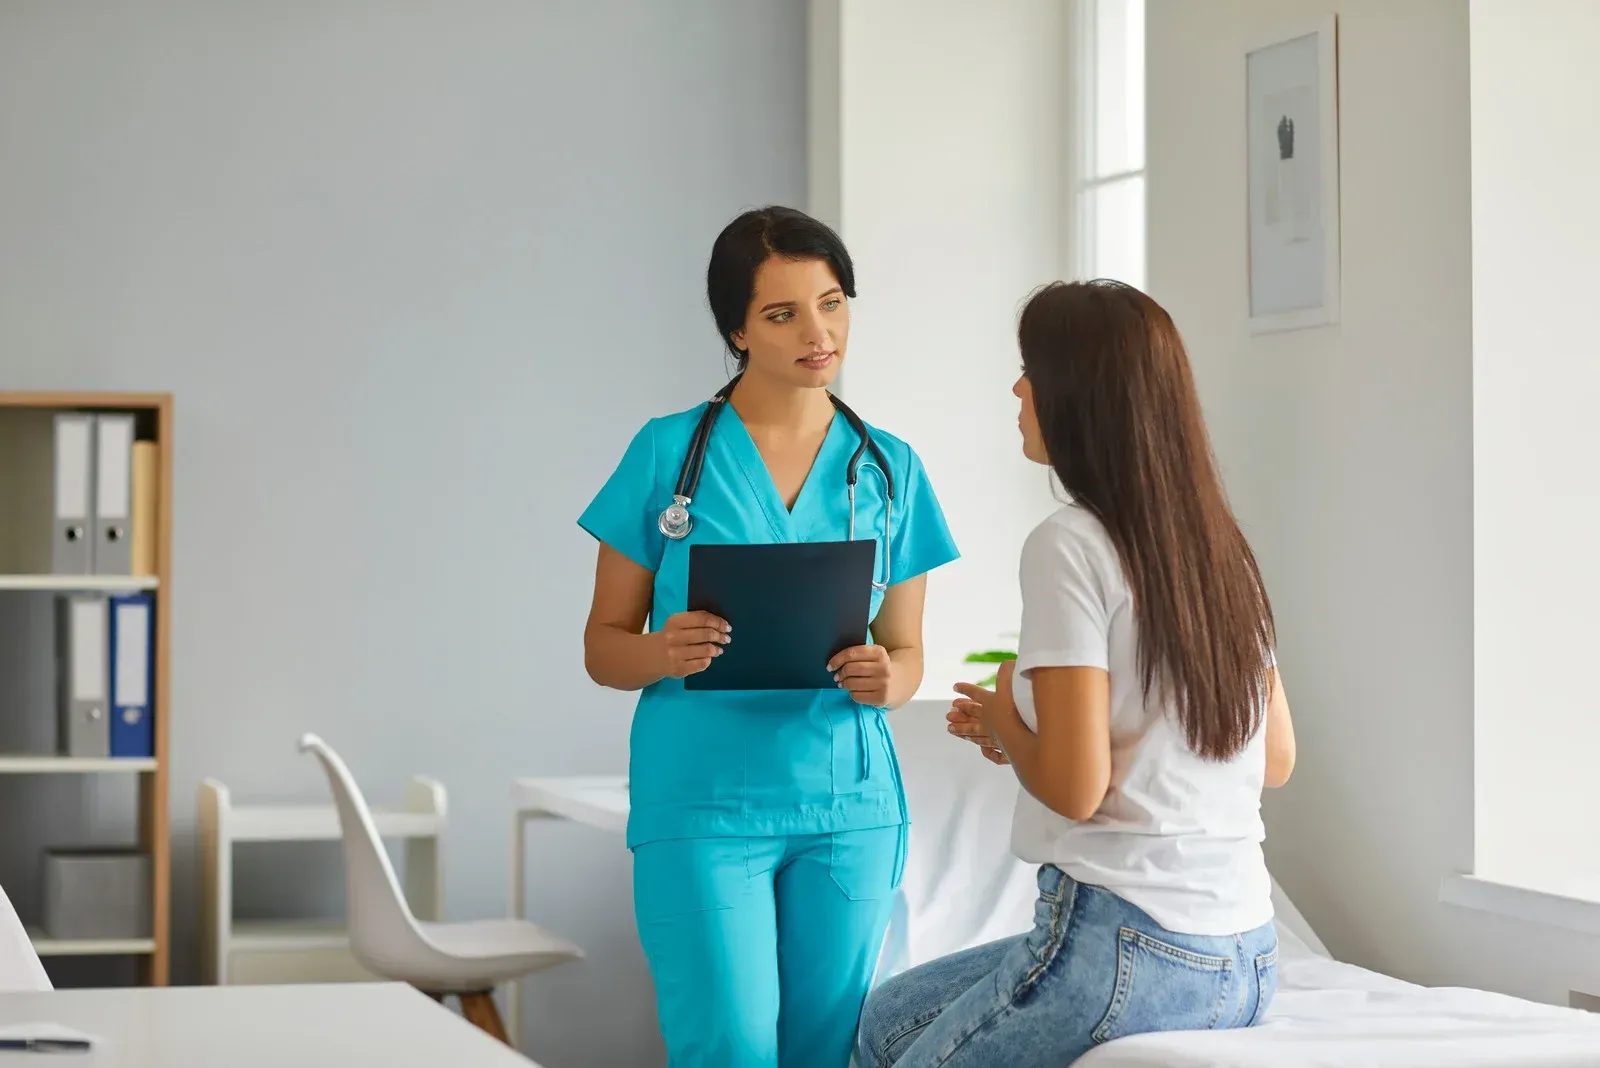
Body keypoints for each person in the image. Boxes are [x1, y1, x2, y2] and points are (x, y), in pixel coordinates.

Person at [856, 279, 1297, 1068]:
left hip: (1127, 941)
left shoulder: (1069, 544)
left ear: (1081, 396)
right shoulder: (1222, 549)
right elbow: (1273, 759)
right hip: (1247, 954)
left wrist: (1005, 722)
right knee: (887, 1020)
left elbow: (1073, 788)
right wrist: (1024, 735)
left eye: (1032, 370)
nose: (1018, 389)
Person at [579, 205, 959, 1068]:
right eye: (783, 314)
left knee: (828, 1053)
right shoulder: (666, 453)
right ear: (737, 330)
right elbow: (604, 646)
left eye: (832, 303)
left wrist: (885, 678)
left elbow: (908, 653)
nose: (817, 333)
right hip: (704, 806)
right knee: (730, 1047)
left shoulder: (890, 466)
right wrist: (662, 650)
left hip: (849, 807)